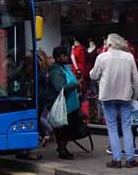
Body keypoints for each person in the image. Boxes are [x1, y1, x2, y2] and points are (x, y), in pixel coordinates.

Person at [90, 33, 138, 168]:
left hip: (107, 96)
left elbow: (93, 75)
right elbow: (136, 79)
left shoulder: (102, 57)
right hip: (125, 97)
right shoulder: (129, 57)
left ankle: (116, 160)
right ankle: (130, 159)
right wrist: (135, 96)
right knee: (127, 127)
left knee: (112, 128)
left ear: (109, 44)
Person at [48, 46, 82, 160]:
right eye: (63, 56)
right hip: (63, 106)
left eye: (66, 55)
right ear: (57, 57)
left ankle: (62, 147)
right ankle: (62, 149)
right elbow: (60, 88)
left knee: (70, 128)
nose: (66, 57)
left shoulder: (65, 68)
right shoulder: (55, 70)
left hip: (71, 104)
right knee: (63, 129)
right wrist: (76, 84)